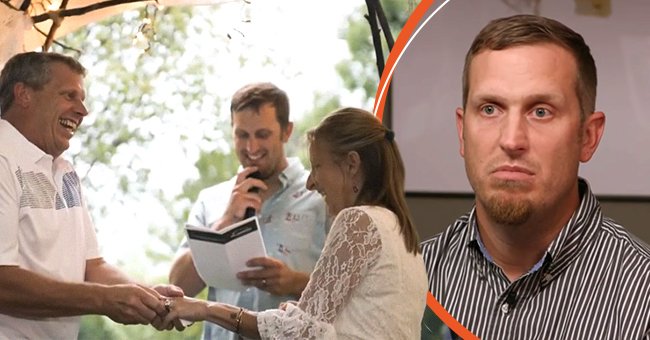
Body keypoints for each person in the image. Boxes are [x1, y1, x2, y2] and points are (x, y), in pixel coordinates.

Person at [420, 14, 650, 339]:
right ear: (462, 132)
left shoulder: (643, 297)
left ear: (588, 137)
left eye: (541, 111)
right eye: (490, 109)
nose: (512, 140)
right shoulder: (411, 274)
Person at [162, 107, 428, 338]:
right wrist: (293, 314)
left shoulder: (358, 221)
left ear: (351, 164)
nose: (311, 182)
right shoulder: (399, 229)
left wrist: (206, 309)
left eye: (317, 166)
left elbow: (300, 334)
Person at [0, 52, 183, 339]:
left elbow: (92, 266)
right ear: (23, 94)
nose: (82, 110)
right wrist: (104, 300)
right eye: (69, 95)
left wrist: (145, 296)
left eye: (82, 98)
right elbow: (3, 284)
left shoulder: (65, 171)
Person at [169, 82, 328, 339]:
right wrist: (225, 221)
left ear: (286, 131)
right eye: (242, 135)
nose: (251, 147)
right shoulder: (210, 200)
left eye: (262, 134)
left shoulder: (323, 197)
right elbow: (177, 286)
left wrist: (295, 282)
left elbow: (353, 291)